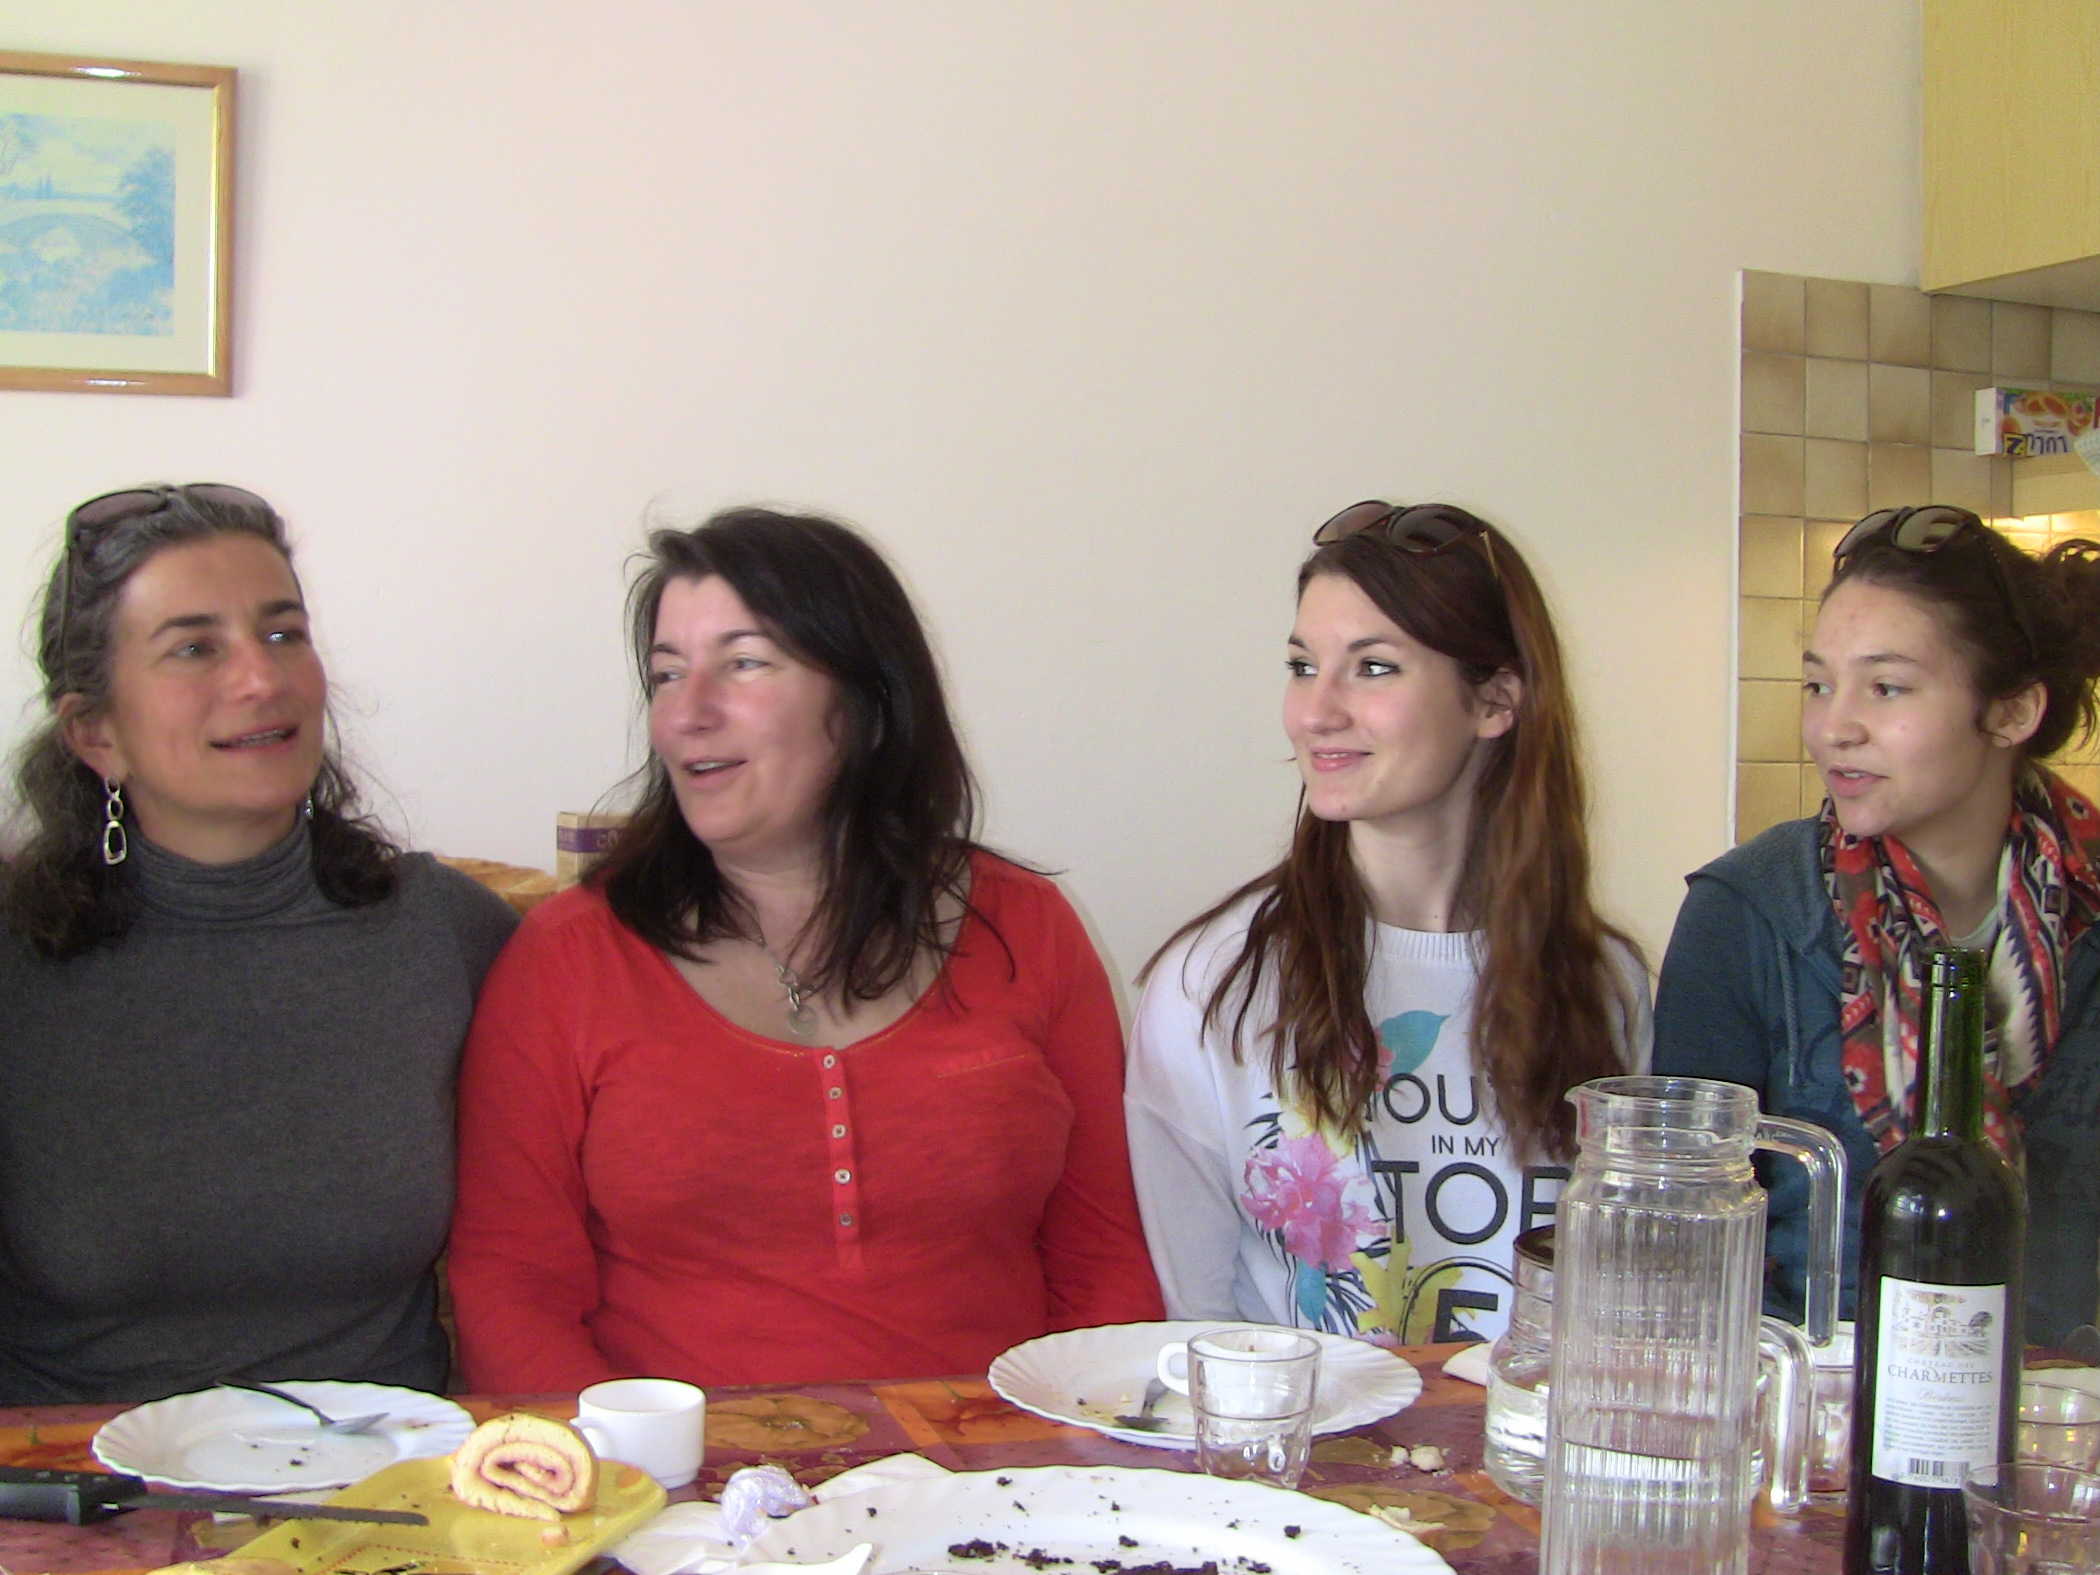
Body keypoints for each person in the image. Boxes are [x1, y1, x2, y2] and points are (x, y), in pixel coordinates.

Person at [447, 507, 1162, 1390]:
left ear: (867, 703)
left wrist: (1065, 1450)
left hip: (995, 1461)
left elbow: (1104, 1258)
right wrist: (624, 1462)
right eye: (666, 675)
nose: (688, 713)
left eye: (744, 662)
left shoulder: (1029, 928)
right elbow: (510, 1284)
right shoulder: (567, 959)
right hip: (670, 1469)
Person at [0, 483, 518, 1404]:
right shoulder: (19, 961)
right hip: (75, 1470)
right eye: (195, 647)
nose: (262, 678)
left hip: (389, 1467)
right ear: (96, 732)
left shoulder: (444, 930)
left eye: (284, 633)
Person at [1125, 501, 1651, 1346]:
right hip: (1301, 1433)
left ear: (1495, 699)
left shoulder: (1606, 984)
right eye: (1303, 665)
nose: (1316, 711)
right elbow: (1195, 1331)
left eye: (1372, 667)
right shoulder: (1213, 984)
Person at [1654, 505, 2100, 1343]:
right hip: (1814, 1394)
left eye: (1886, 687)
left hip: (2062, 1398)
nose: (1835, 727)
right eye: (1819, 684)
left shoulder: (2090, 910)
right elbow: (1682, 1235)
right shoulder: (1749, 912)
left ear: (2012, 712)